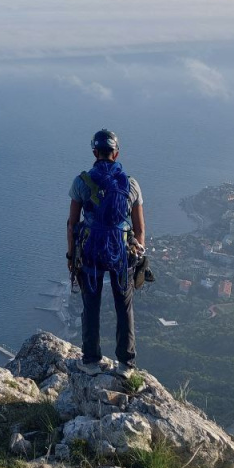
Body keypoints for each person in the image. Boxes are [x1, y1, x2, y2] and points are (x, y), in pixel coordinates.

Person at [66, 129, 145, 375]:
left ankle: (91, 361)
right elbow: (140, 228)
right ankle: (126, 364)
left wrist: (71, 255)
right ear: (116, 153)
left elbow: (72, 223)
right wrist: (138, 253)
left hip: (90, 250)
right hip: (121, 250)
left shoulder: (81, 182)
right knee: (124, 305)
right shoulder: (131, 184)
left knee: (91, 305)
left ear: (95, 153)